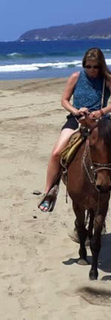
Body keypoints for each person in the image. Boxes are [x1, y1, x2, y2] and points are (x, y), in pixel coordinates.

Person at [38, 47, 111, 212]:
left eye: (95, 67)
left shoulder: (107, 79)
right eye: (89, 66)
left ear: (101, 66)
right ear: (84, 65)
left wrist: (101, 111)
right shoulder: (76, 77)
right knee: (57, 153)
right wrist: (76, 111)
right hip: (76, 119)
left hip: (100, 121)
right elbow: (64, 100)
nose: (92, 70)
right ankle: (49, 192)